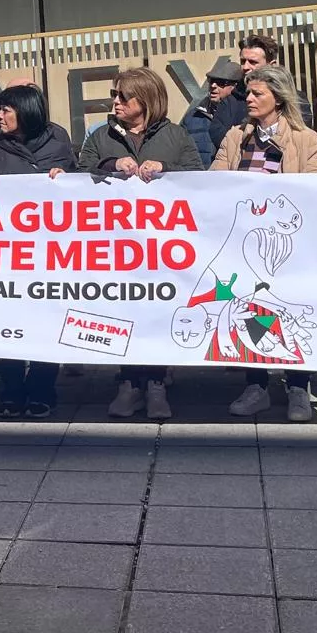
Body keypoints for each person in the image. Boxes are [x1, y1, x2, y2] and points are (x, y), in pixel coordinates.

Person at [81, 67, 202, 420]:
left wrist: (165, 167)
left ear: (145, 100)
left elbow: (198, 176)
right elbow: (80, 172)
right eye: (114, 95)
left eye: (123, 96)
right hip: (116, 245)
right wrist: (110, 163)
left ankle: (156, 382)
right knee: (124, 309)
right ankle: (129, 382)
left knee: (158, 310)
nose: (115, 102)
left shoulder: (176, 135)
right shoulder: (102, 135)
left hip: (161, 246)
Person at [210, 66, 317, 422]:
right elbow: (214, 181)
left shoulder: (306, 139)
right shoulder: (235, 137)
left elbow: (314, 191)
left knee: (291, 309)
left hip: (290, 246)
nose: (249, 99)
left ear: (279, 97)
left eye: (258, 93)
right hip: (245, 245)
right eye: (248, 93)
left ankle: (297, 387)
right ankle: (256, 385)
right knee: (250, 310)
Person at [0, 83, 75, 419]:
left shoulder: (58, 139)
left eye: (6, 110)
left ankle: (43, 389)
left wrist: (66, 177)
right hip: (7, 252)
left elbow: (79, 186)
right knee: (9, 322)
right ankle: (12, 389)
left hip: (49, 251)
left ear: (26, 111)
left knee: (47, 320)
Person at [237, 33, 315, 127]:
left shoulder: (294, 100)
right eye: (243, 61)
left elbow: (300, 131)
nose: (245, 67)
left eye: (253, 62)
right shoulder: (231, 99)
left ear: (271, 64)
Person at [181, 56, 246, 168]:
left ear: (235, 86)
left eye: (221, 82)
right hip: (199, 177)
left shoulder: (245, 115)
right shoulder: (192, 117)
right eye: (211, 81)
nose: (213, 86)